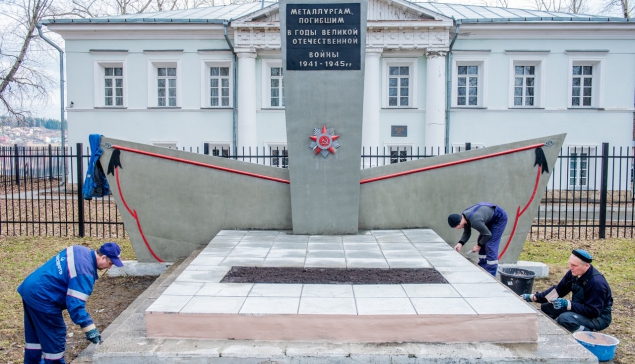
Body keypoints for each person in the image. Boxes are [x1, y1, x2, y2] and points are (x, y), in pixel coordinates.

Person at [17, 243, 124, 363]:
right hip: (43, 297)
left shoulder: (79, 250)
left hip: (31, 288)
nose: (109, 267)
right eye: (110, 263)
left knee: (35, 335)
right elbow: (75, 305)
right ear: (103, 257)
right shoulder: (84, 272)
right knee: (54, 334)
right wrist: (89, 328)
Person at [522, 249, 613, 333]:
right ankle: (555, 331)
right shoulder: (574, 273)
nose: (570, 268)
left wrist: (568, 304)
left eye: (574, 265)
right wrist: (533, 297)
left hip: (598, 317)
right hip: (582, 309)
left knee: (565, 319)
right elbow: (558, 291)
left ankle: (587, 335)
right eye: (570, 264)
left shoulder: (596, 283)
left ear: (586, 265)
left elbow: (593, 311)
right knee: (547, 307)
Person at [447, 202, 508, 276]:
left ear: (458, 224)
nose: (457, 229)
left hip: (498, 218)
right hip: (489, 218)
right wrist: (460, 243)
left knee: (490, 244)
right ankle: (482, 267)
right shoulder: (464, 217)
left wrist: (478, 246)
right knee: (481, 240)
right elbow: (467, 233)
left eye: (455, 227)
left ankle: (491, 273)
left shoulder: (475, 220)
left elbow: (487, 234)